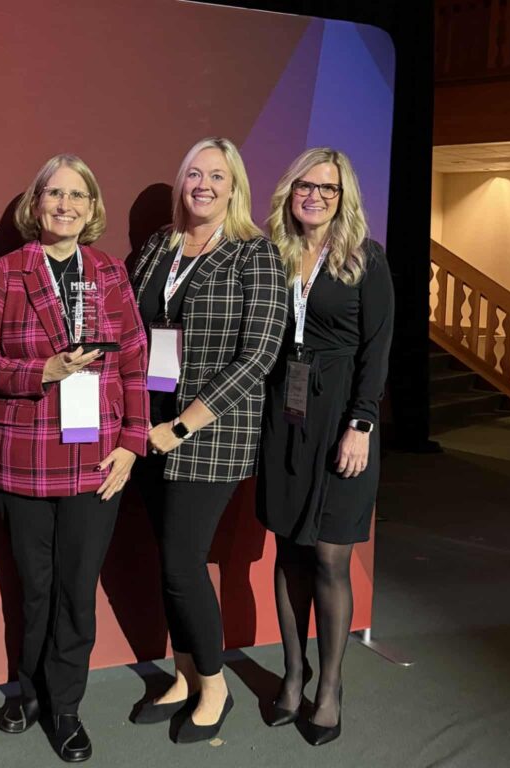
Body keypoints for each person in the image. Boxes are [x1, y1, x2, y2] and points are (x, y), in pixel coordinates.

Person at [0, 154, 148, 763]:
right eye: (55, 193)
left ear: (92, 207)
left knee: (76, 590)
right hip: (25, 452)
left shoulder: (109, 272)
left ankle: (66, 706)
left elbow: (133, 361)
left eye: (78, 195)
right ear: (37, 203)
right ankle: (29, 691)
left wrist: (133, 442)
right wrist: (41, 371)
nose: (65, 205)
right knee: (35, 587)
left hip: (98, 455)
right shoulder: (6, 272)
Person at [128, 137, 287, 743]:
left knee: (182, 564)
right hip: (149, 425)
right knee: (166, 563)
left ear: (234, 187)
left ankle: (215, 686)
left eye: (217, 176)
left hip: (208, 432)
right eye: (194, 173)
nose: (203, 185)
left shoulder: (254, 253)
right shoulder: (158, 247)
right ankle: (184, 674)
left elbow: (259, 355)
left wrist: (183, 424)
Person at [256, 148, 394, 746]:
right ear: (290, 191)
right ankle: (294, 673)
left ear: (344, 198)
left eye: (328, 188)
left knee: (331, 559)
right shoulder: (273, 253)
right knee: (289, 551)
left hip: (342, 418)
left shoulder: (365, 257)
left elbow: (377, 348)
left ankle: (330, 687)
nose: (314, 196)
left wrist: (362, 423)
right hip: (285, 415)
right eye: (305, 186)